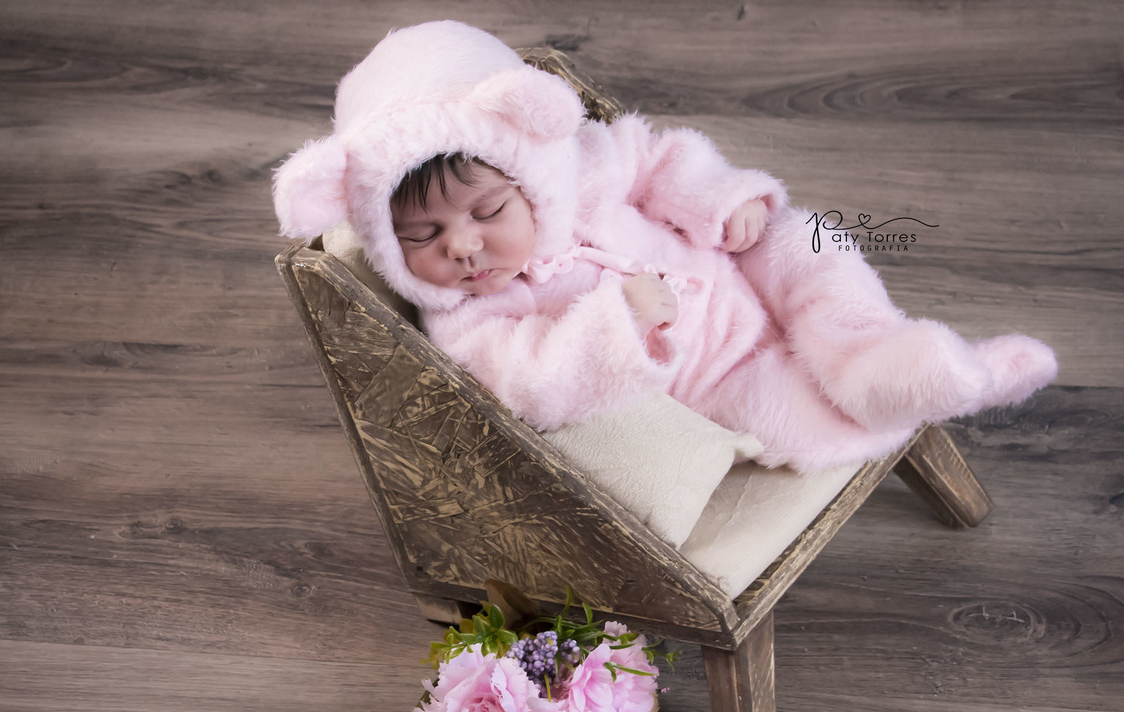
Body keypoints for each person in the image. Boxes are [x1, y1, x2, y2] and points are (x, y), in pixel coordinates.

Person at [272, 20, 1056, 471]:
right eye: (423, 236)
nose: (464, 246)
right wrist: (617, 324)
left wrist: (723, 198)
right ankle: (933, 387)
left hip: (737, 265)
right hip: (710, 376)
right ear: (388, 240)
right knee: (788, 415)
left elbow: (659, 157)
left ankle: (878, 357)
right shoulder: (471, 321)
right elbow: (531, 384)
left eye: (486, 211)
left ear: (530, 172)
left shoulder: (581, 168)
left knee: (812, 242)